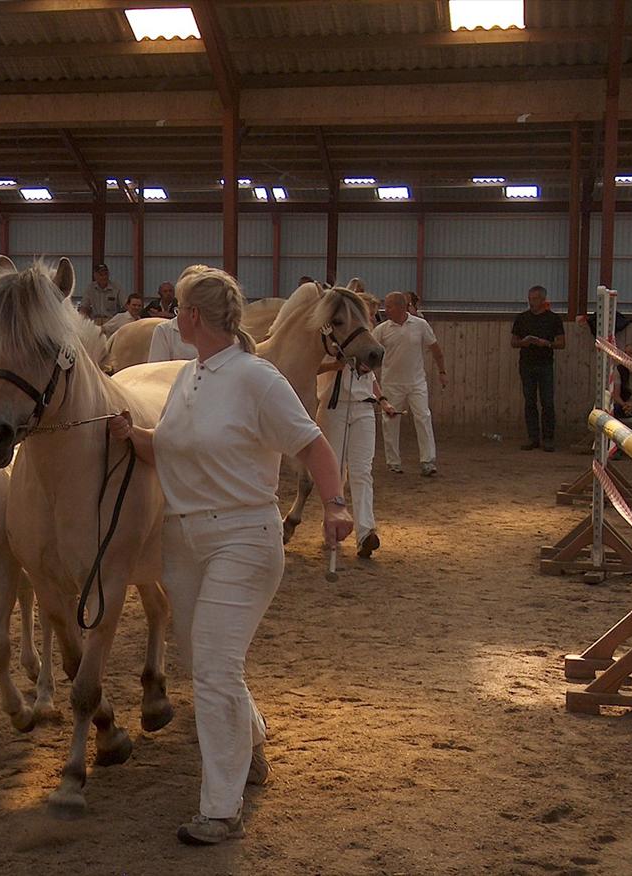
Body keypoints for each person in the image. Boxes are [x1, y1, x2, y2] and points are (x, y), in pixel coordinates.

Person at [108, 265, 353, 846]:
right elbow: (167, 451)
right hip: (184, 540)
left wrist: (336, 505)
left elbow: (312, 444)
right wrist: (126, 435)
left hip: (242, 537)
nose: (175, 316)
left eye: (180, 309)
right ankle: (255, 739)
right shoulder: (188, 379)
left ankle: (221, 807)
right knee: (204, 661)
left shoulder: (255, 379)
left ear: (194, 317)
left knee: (215, 668)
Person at [316, 297, 397, 558]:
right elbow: (312, 367)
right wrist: (337, 364)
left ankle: (365, 532)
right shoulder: (331, 337)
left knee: (363, 471)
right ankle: (332, 528)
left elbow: (371, 378)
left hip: (363, 408)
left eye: (372, 316)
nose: (370, 321)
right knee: (335, 470)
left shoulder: (367, 344)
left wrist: (383, 400)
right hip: (334, 407)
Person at [373, 291, 447, 475]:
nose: (386, 309)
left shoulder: (420, 325)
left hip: (416, 382)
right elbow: (371, 352)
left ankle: (428, 461)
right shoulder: (382, 329)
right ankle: (393, 462)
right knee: (390, 422)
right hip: (391, 383)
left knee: (423, 417)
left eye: (389, 306)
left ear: (400, 306)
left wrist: (442, 371)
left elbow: (435, 349)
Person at [511, 285, 566, 452]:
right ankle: (533, 437)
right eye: (530, 299)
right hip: (527, 364)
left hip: (545, 364)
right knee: (530, 401)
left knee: (547, 402)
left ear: (543, 300)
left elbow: (561, 343)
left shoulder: (554, 319)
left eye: (534, 299)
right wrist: (524, 342)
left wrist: (547, 343)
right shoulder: (521, 318)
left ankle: (548, 438)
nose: (531, 302)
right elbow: (513, 342)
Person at [611, 342, 632, 427]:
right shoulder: (619, 370)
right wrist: (625, 405)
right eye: (625, 353)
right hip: (625, 405)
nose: (627, 356)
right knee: (615, 409)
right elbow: (616, 395)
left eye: (631, 353)